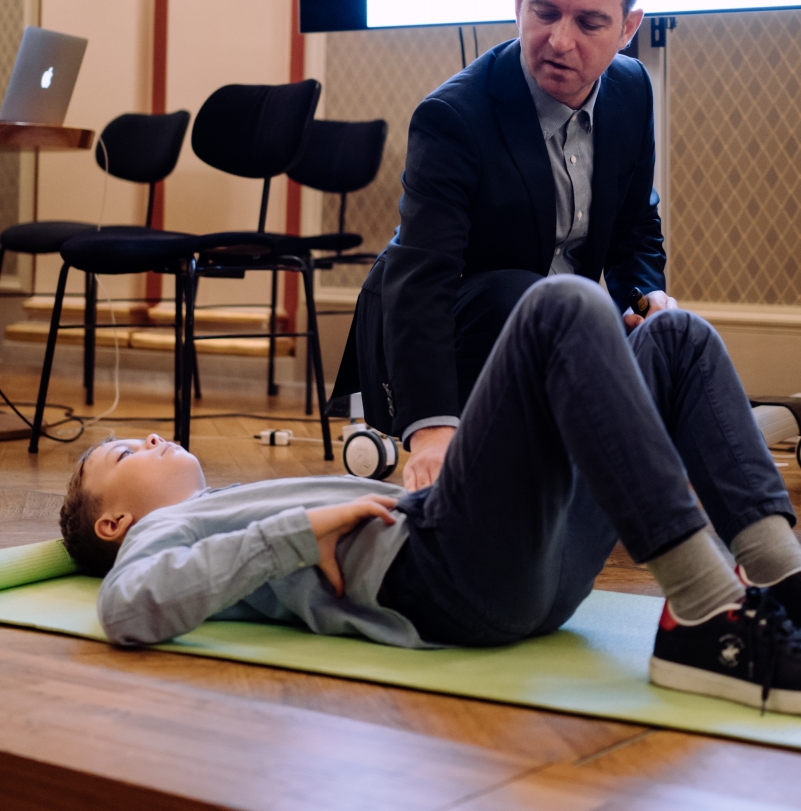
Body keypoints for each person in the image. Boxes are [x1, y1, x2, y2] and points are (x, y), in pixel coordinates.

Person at [63, 278, 801, 713]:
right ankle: (708, 616)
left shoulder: (223, 507)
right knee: (560, 305)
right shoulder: (158, 533)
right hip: (446, 577)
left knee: (676, 337)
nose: (150, 438)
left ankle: (783, 583)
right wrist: (301, 529)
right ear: (114, 522)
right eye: (124, 452)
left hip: (525, 578)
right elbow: (126, 608)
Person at [335, 0, 677, 492]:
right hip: (458, 324)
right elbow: (422, 280)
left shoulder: (632, 87)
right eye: (544, 12)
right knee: (525, 294)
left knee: (681, 337)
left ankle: (755, 540)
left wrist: (646, 299)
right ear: (519, 2)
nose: (559, 41)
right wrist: (432, 430)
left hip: (561, 323)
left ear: (628, 27)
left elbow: (634, 228)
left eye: (589, 22)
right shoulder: (453, 117)